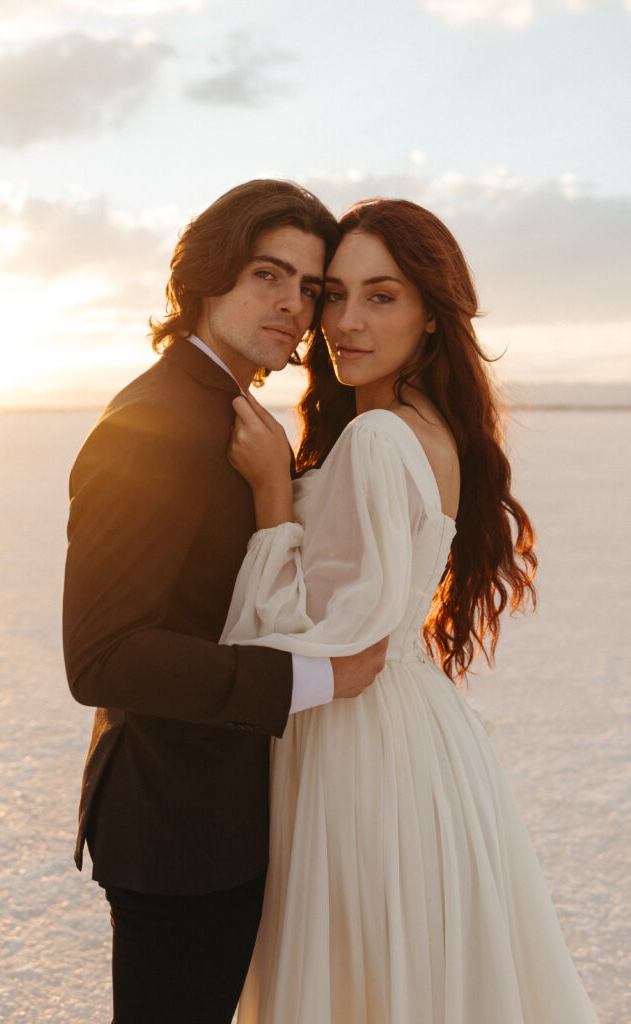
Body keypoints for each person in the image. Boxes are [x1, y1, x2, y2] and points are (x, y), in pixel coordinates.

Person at [222, 199, 600, 1022]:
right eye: (334, 295)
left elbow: (297, 639)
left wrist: (266, 497)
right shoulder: (424, 428)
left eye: (382, 296)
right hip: (410, 733)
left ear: (432, 314)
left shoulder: (380, 439)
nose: (345, 322)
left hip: (358, 745)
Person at [62, 179, 388, 1024]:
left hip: (224, 816)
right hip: (179, 832)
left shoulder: (232, 409)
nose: (293, 306)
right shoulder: (156, 424)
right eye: (266, 276)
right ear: (207, 279)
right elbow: (105, 657)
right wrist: (314, 678)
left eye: (309, 290)